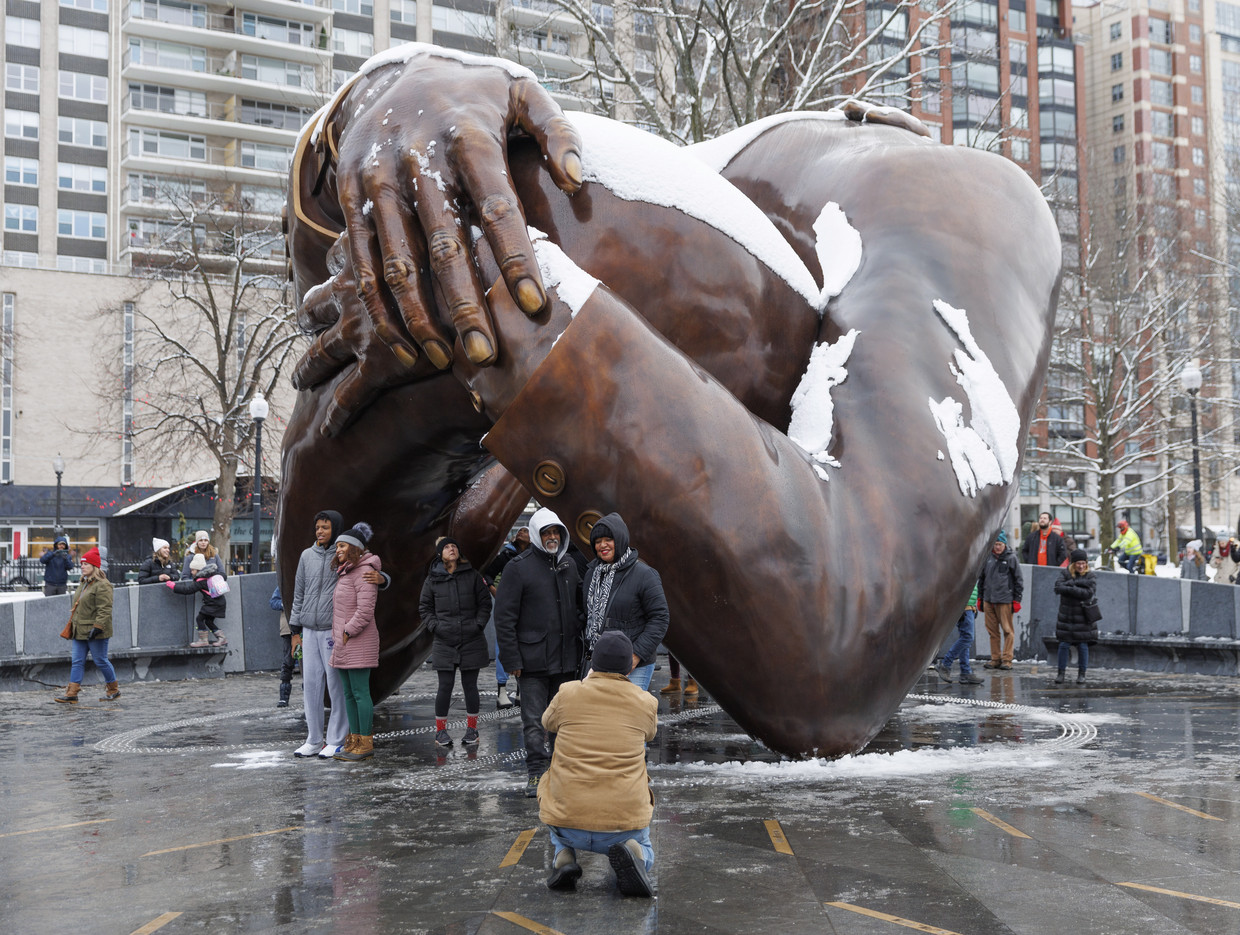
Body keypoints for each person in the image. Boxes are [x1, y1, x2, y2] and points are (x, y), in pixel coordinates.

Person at [278, 46, 1061, 758]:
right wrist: (382, 95)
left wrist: (509, 324)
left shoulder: (957, 204)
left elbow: (842, 644)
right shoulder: (649, 208)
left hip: (881, 220)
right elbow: (358, 651)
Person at [539, 630, 658, 897]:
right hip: (621, 825)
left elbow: (547, 721)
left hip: (568, 820)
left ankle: (564, 855)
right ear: (629, 666)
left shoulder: (568, 693)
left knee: (549, 778)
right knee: (644, 839)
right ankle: (637, 853)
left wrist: (585, 683)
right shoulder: (645, 702)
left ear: (593, 663)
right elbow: (650, 733)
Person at [493, 507, 583, 797]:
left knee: (563, 720)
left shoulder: (569, 563)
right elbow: (504, 617)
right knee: (533, 720)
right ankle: (535, 772)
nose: (552, 537)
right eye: (547, 532)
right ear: (535, 534)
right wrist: (511, 659)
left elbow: (580, 607)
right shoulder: (517, 567)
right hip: (531, 662)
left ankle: (559, 771)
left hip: (567, 660)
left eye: (556, 532)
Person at [288, 510, 388, 758]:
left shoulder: (345, 555)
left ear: (336, 529)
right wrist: (294, 629)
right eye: (317, 527)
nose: (320, 531)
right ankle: (313, 739)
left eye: (325, 527)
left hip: (335, 632)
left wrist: (383, 579)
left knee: (337, 688)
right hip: (309, 630)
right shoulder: (306, 556)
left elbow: (368, 573)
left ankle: (336, 738)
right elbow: (297, 592)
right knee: (310, 685)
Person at [582, 513, 669, 691]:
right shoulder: (592, 573)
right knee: (602, 715)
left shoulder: (644, 574)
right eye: (597, 541)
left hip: (634, 665)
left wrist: (636, 655)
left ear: (620, 540)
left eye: (608, 539)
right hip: (599, 663)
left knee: (626, 716)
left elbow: (660, 618)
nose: (602, 545)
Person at [419, 536, 492, 747]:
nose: (452, 549)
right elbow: (425, 608)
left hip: (472, 639)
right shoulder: (432, 579)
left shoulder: (472, 575)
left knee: (470, 686)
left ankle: (472, 730)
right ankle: (440, 732)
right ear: (440, 554)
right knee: (445, 687)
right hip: (444, 641)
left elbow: (485, 603)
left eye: (454, 546)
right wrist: (436, 627)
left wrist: (478, 624)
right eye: (447, 547)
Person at [329, 522, 382, 761]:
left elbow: (365, 611)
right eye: (337, 546)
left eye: (341, 545)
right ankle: (354, 739)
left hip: (357, 641)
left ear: (354, 547)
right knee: (349, 693)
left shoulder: (365, 571)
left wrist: (347, 632)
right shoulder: (347, 571)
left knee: (360, 692)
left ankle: (365, 742)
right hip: (344, 642)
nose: (337, 549)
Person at [54, 546, 119, 703]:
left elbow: (105, 609)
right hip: (79, 630)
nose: (82, 566)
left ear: (94, 566)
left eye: (86, 564)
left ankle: (113, 689)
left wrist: (97, 627)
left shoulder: (103, 584)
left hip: (96, 630)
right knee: (77, 661)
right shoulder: (84, 583)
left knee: (100, 660)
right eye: (82, 564)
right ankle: (72, 693)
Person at [484, 528, 530, 710]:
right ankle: (501, 690)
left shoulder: (535, 555)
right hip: (508, 607)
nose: (522, 532)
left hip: (527, 607)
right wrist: (497, 593)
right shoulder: (506, 555)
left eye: (526, 530)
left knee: (525, 645)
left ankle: (520, 690)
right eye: (521, 531)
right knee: (503, 644)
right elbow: (487, 575)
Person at [1052, 549, 1098, 685]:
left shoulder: (1090, 576)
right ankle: (1061, 674)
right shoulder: (1065, 573)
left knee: (1083, 645)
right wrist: (1076, 587)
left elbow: (1088, 593)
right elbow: (1058, 588)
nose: (1081, 566)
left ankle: (1082, 674)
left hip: (1083, 618)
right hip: (1066, 617)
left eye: (1084, 563)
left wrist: (1071, 587)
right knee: (1064, 645)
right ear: (1073, 563)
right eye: (1079, 563)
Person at [978, 530, 1022, 671]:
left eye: (1000, 544)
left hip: (1005, 600)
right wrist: (980, 598)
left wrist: (1016, 600)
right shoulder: (987, 557)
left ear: (1004, 544)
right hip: (989, 599)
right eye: (995, 544)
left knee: (1008, 631)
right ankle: (995, 658)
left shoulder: (1011, 558)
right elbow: (981, 579)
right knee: (992, 631)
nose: (997, 547)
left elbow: (1018, 581)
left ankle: (1007, 659)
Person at [171, 552, 228, 647]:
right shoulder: (211, 575)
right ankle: (222, 638)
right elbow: (223, 576)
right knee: (208, 621)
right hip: (219, 603)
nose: (191, 572)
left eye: (192, 570)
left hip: (212, 604)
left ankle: (203, 640)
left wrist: (174, 586)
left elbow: (188, 590)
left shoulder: (200, 581)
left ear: (198, 570)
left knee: (199, 619)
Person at [935, 581, 983, 685]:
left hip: (968, 606)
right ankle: (945, 664)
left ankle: (965, 672)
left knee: (965, 638)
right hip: (965, 607)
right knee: (967, 638)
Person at [272, 585, 294, 707]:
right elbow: (273, 602)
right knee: (287, 661)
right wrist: (286, 604)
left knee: (307, 664)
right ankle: (284, 697)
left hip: (303, 626)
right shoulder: (283, 585)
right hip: (288, 628)